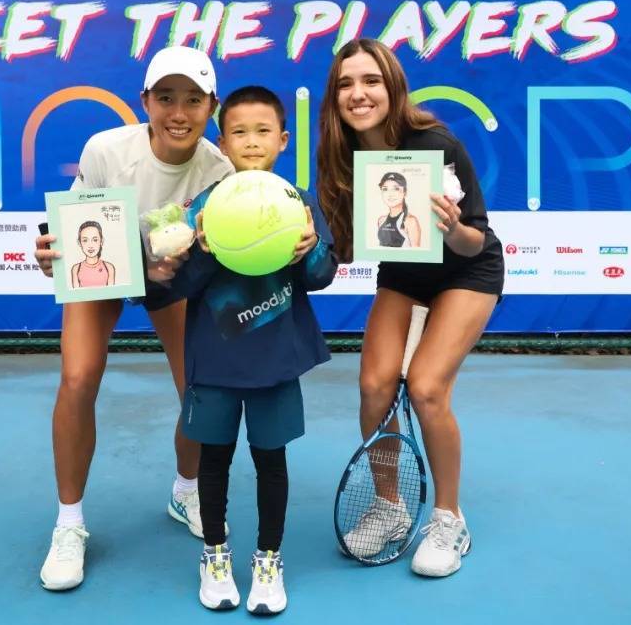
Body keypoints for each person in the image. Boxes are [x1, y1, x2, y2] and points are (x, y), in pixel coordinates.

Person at [33, 46, 234, 591]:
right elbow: (74, 227)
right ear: (145, 101)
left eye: (193, 100)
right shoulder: (106, 150)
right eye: (166, 98)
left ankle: (186, 491)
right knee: (78, 378)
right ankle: (69, 524)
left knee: (200, 388)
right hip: (106, 270)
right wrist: (51, 250)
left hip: (173, 281)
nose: (179, 113)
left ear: (211, 107)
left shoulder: (219, 170)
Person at [316, 38, 504, 577]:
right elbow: (347, 248)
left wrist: (450, 226)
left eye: (370, 81)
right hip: (403, 276)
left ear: (393, 86)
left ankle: (448, 519)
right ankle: (389, 507)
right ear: (335, 97)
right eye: (346, 84)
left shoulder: (435, 143)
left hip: (467, 270)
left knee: (424, 387)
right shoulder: (340, 156)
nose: (358, 93)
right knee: (375, 386)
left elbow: (474, 239)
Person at [170, 86, 337, 614]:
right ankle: (214, 554)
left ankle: (269, 559)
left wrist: (309, 253)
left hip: (275, 362)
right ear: (222, 143)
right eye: (239, 132)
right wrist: (199, 251)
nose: (251, 141)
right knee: (214, 461)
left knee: (271, 462)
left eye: (263, 131)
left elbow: (323, 275)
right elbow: (178, 285)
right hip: (215, 361)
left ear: (283, 140)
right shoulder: (203, 206)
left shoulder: (299, 203)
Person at [376, 171, 421, 248]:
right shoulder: (381, 220)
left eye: (396, 189)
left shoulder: (410, 221)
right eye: (385, 189)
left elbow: (416, 253)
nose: (390, 194)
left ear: (405, 192)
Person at [70, 221, 116, 288]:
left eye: (95, 240)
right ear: (79, 243)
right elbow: (75, 293)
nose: (90, 245)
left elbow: (112, 292)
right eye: (85, 240)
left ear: (101, 241)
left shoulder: (109, 267)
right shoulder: (76, 269)